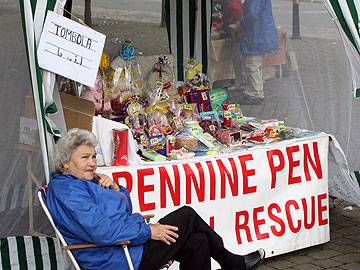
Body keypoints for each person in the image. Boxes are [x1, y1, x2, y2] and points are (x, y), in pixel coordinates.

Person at [46, 128, 265, 270]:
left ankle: (232, 262)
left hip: (128, 244)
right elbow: (102, 231)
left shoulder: (88, 182)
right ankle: (232, 263)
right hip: (115, 257)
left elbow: (124, 209)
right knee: (187, 215)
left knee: (197, 242)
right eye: (84, 158)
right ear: (66, 162)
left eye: (94, 156)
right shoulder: (67, 191)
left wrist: (114, 187)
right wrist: (148, 231)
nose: (92, 163)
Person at [239, 0, 279, 104]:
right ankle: (255, 91)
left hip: (255, 34)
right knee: (256, 65)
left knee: (252, 64)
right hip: (260, 33)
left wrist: (242, 23)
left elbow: (252, 13)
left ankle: (255, 94)